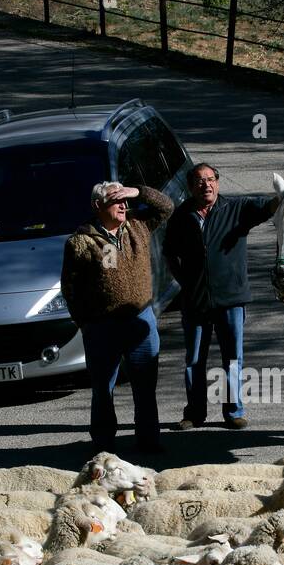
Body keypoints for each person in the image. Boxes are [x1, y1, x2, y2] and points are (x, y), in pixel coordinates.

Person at [60, 180, 174, 454]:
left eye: (125, 200)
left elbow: (167, 207)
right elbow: (70, 288)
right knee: (102, 389)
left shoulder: (138, 226)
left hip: (141, 320)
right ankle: (103, 446)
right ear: (97, 206)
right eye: (116, 200)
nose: (123, 205)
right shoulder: (81, 241)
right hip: (102, 327)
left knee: (145, 388)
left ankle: (148, 441)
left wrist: (137, 192)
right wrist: (86, 323)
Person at [162, 162, 278, 430]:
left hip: (231, 298)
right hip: (195, 300)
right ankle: (194, 413)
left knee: (233, 358)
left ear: (218, 182)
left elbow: (266, 207)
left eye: (211, 179)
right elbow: (170, 253)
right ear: (190, 187)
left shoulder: (235, 209)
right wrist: (185, 283)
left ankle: (234, 411)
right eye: (200, 181)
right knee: (193, 360)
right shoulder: (181, 216)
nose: (207, 185)